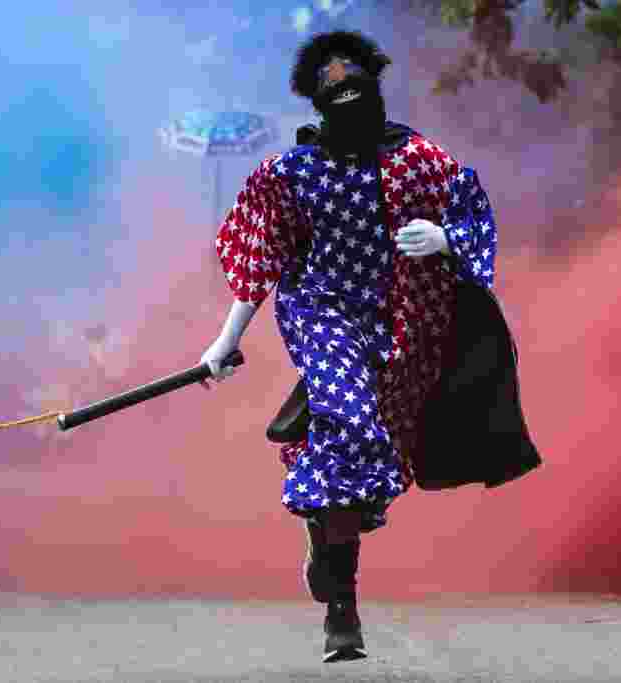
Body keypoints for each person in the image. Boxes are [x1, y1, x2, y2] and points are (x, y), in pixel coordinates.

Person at [198, 30, 541, 663]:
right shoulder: (289, 174)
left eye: (356, 82)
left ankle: (326, 550)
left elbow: (476, 220)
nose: (345, 91)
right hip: (321, 313)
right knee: (351, 423)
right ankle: (342, 609)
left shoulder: (420, 159)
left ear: (376, 86)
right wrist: (224, 342)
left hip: (404, 322)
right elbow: (260, 261)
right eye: (333, 87)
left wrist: (442, 237)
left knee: (374, 460)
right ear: (316, 100)